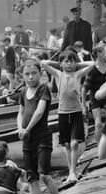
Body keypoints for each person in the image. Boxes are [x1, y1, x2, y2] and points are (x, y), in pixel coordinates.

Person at [15, 58, 62, 194]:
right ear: (22, 76)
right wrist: (20, 127)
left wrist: (27, 129)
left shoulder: (43, 89)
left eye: (33, 73)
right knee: (31, 177)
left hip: (42, 136)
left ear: (40, 74)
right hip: (27, 140)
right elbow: (20, 112)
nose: (30, 77)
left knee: (45, 175)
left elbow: (40, 112)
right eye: (27, 74)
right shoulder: (22, 93)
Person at [40, 52, 94, 184]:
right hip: (63, 112)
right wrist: (59, 64)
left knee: (75, 143)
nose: (68, 64)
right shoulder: (59, 74)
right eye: (66, 61)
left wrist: (77, 64)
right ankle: (71, 170)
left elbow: (92, 64)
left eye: (71, 61)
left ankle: (72, 172)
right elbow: (43, 63)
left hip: (76, 112)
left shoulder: (78, 74)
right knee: (66, 144)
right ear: (61, 63)